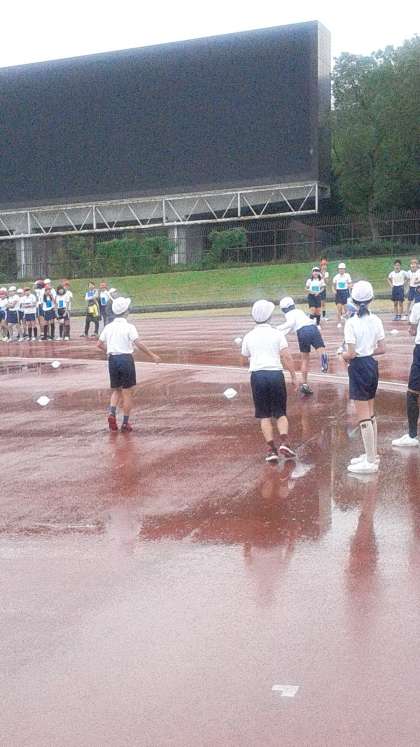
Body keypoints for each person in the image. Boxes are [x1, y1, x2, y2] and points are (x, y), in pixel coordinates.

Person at [241, 299, 298, 462]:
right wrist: (294, 376)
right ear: (269, 317)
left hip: (258, 376)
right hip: (275, 374)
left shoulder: (248, 336)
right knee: (280, 412)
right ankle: (284, 442)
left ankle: (271, 449)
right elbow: (286, 356)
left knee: (264, 414)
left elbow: (243, 359)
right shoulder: (277, 334)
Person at [341, 281, 386, 474]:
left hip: (358, 366)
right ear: (371, 299)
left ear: (352, 300)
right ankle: (372, 454)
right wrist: (367, 351)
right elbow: (382, 348)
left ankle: (370, 461)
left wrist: (341, 355)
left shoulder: (351, 323)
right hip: (371, 365)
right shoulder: (376, 320)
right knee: (370, 411)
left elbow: (351, 353)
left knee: (363, 414)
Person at [97, 297, 161, 432]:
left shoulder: (108, 327)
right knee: (127, 392)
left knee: (116, 390)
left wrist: (109, 350)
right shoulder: (129, 327)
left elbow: (99, 344)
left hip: (112, 359)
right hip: (126, 359)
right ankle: (125, 423)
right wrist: (152, 355)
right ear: (126, 312)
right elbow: (138, 343)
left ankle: (112, 413)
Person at [279, 296, 328, 396]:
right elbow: (290, 327)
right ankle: (324, 362)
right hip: (312, 328)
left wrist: (277, 328)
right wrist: (280, 332)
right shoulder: (299, 311)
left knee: (305, 359)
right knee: (321, 350)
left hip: (302, 332)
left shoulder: (288, 314)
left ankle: (305, 384)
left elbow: (290, 324)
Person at [392, 297, 420, 447]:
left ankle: (412, 435)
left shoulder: (417, 306)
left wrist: (412, 330)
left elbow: (413, 329)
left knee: (413, 392)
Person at [333, 262, 352, 328]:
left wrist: (349, 286)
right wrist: (334, 291)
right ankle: (339, 322)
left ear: (344, 269)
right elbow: (333, 285)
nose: (341, 270)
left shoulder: (347, 275)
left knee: (346, 308)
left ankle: (348, 321)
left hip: (345, 292)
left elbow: (350, 284)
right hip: (339, 293)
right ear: (338, 269)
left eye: (342, 269)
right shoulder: (336, 277)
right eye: (340, 269)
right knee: (339, 308)